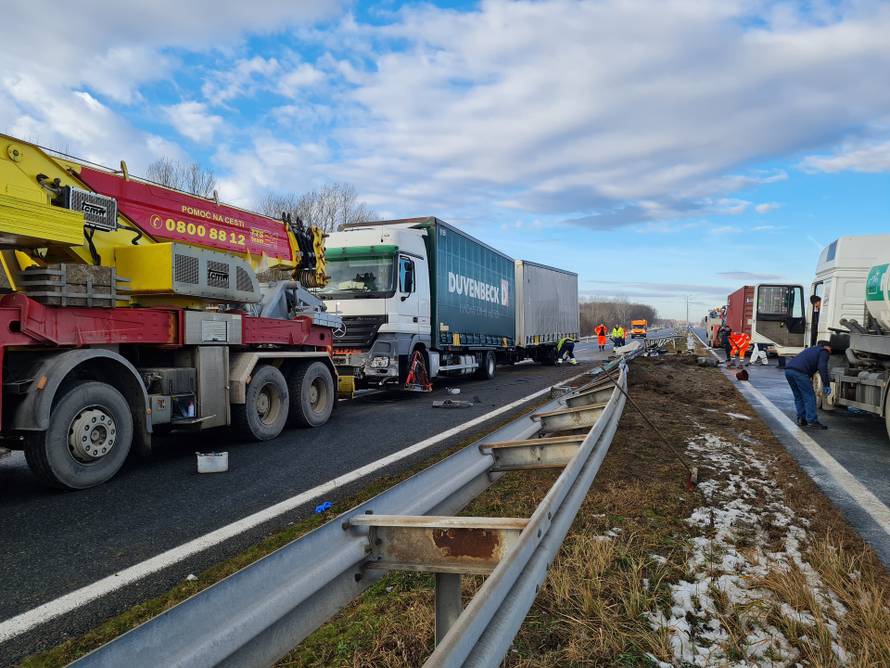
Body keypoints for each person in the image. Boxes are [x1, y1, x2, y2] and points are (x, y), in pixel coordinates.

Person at [785, 341, 831, 429]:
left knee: (799, 396)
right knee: (809, 396)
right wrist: (826, 384)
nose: (830, 352)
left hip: (788, 370)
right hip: (800, 372)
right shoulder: (824, 351)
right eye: (830, 349)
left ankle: (802, 419)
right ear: (826, 347)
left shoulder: (811, 349)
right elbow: (822, 367)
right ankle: (812, 421)